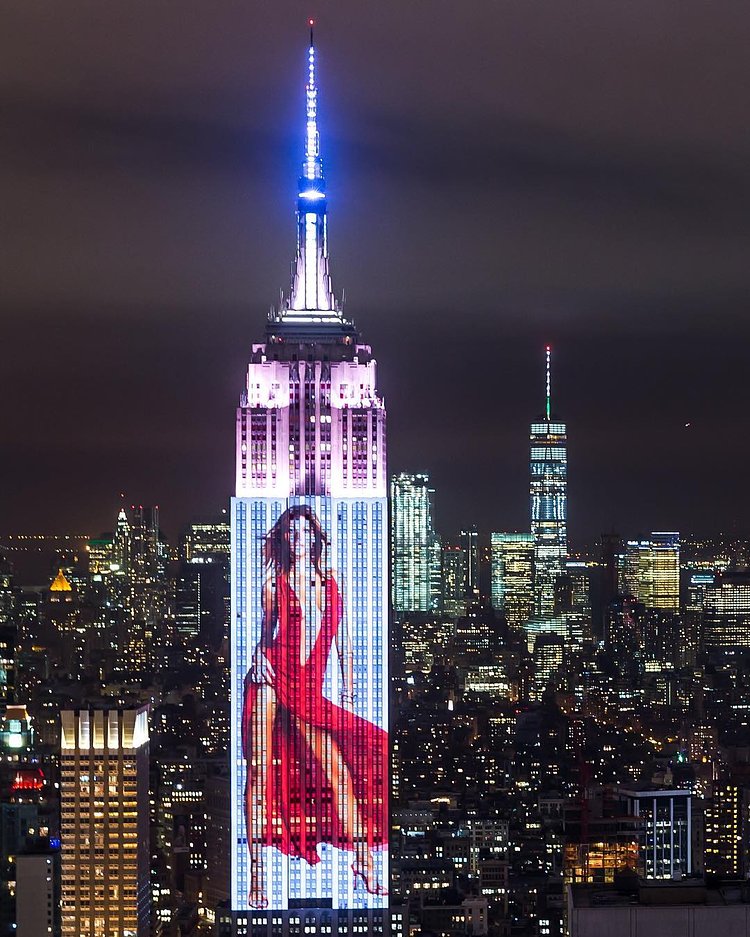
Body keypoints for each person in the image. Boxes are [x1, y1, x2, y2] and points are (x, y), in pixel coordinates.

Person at [242, 504, 388, 908]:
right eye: (293, 532)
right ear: (286, 540)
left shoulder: (331, 584)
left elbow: (343, 643)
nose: (301, 538)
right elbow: (264, 633)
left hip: (308, 688)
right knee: (259, 774)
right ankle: (257, 877)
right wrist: (257, 657)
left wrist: (348, 693)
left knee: (340, 772)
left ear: (316, 538)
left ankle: (364, 860)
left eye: (307, 531)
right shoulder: (275, 582)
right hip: (272, 679)